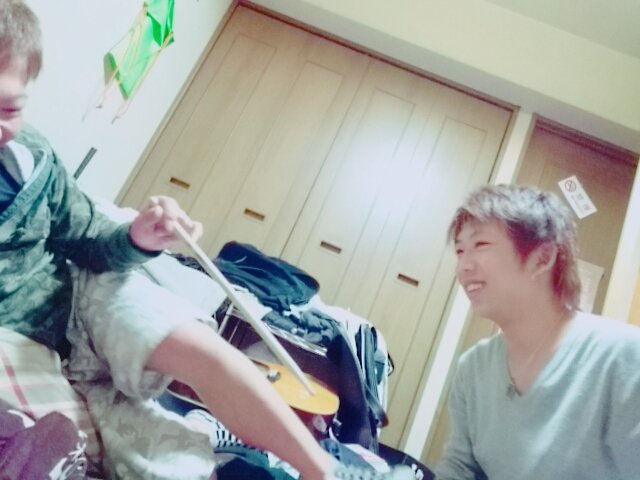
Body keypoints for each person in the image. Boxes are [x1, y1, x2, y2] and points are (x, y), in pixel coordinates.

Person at [0, 2, 414, 479]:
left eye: (10, 108)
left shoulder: (33, 156)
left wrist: (138, 236)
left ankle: (326, 470)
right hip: (22, 341)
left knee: (191, 344)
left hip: (77, 297)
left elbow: (88, 237)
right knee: (154, 460)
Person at [434, 183, 640, 480]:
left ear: (542, 258)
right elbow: (459, 467)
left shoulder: (624, 359)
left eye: (481, 245)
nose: (463, 266)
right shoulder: (473, 367)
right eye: (459, 250)